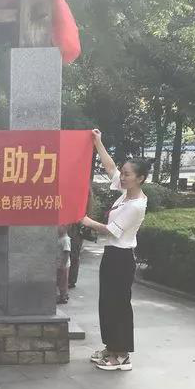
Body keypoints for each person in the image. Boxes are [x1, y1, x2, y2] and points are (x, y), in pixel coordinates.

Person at [81, 129, 150, 371]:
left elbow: (111, 231)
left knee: (119, 305)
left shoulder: (137, 205)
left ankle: (121, 355)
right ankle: (111, 347)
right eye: (123, 172)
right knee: (107, 303)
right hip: (112, 256)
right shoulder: (125, 194)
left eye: (127, 174)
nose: (122, 176)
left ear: (140, 178)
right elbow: (110, 168)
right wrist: (99, 143)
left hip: (121, 259)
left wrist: (85, 220)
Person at [57, 225, 71, 304]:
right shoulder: (60, 237)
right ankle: (65, 294)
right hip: (59, 263)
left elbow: (67, 252)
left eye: (59, 227)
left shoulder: (65, 239)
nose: (57, 228)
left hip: (63, 265)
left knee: (62, 281)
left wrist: (63, 264)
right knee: (61, 280)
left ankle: (63, 297)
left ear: (65, 228)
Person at [67, 223, 84, 289]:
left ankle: (71, 281)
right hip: (72, 235)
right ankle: (70, 280)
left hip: (75, 236)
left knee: (74, 258)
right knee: (71, 258)